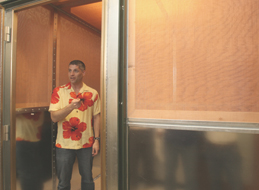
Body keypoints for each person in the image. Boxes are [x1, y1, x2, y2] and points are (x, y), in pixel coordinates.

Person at [49, 60, 100, 190]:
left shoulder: (92, 93)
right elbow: (54, 117)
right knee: (63, 182)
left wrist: (96, 140)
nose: (71, 74)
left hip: (86, 143)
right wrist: (71, 106)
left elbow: (96, 117)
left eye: (76, 70)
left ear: (83, 72)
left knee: (88, 180)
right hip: (64, 144)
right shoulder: (59, 91)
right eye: (69, 70)